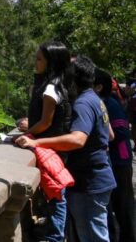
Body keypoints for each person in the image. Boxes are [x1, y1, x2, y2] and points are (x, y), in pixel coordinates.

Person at [17, 56, 117, 242]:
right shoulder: (95, 99)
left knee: (92, 237)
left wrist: (37, 143)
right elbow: (109, 135)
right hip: (100, 177)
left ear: (72, 77)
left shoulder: (83, 103)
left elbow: (78, 140)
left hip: (89, 183)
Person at [17, 42, 74, 242]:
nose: (35, 62)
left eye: (39, 59)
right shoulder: (60, 84)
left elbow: (45, 122)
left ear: (51, 63)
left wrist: (28, 134)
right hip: (54, 147)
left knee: (56, 194)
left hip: (50, 148)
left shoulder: (50, 88)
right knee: (55, 193)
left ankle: (55, 237)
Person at [95, 69, 135, 242]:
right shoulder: (101, 102)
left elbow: (121, 130)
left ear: (98, 86)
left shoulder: (111, 104)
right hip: (112, 162)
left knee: (123, 206)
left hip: (120, 161)